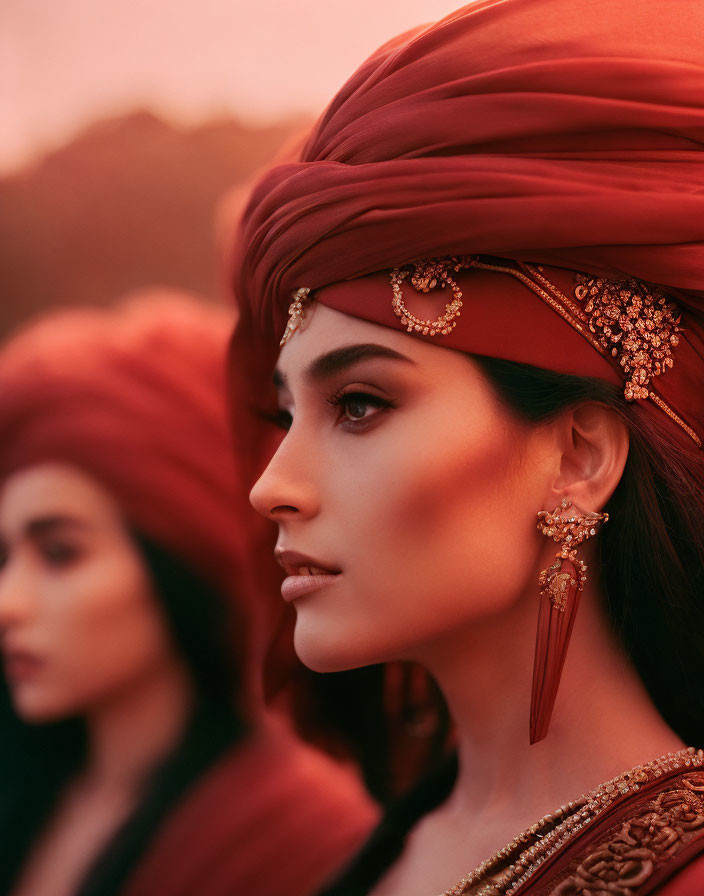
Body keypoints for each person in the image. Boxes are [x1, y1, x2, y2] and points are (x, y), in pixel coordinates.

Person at [226, 0, 704, 893]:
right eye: (286, 415)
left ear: (577, 460)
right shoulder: (401, 841)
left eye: (360, 404)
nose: (272, 487)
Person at [0, 292, 377, 896]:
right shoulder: (32, 789)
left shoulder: (300, 841)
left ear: (178, 558)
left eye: (60, 553)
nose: (8, 604)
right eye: (2, 559)